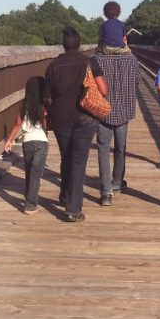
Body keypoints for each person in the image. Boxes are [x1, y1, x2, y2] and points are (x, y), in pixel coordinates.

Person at [44, 27, 108, 222]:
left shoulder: (53, 66)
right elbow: (103, 90)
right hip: (85, 119)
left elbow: (47, 97)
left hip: (61, 119)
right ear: (79, 44)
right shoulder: (89, 62)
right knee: (78, 161)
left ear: (63, 45)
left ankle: (65, 195)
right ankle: (73, 209)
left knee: (66, 157)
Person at [93, 48, 139, 206]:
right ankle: (117, 182)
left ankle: (106, 192)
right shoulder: (132, 59)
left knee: (103, 149)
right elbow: (136, 82)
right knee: (120, 148)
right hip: (123, 110)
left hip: (103, 110)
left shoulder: (97, 59)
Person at [3, 76, 49, 214]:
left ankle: (29, 198)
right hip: (41, 141)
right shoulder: (44, 104)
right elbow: (46, 126)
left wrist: (9, 140)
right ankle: (30, 204)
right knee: (36, 173)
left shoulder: (24, 105)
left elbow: (17, 123)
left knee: (30, 172)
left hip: (27, 142)